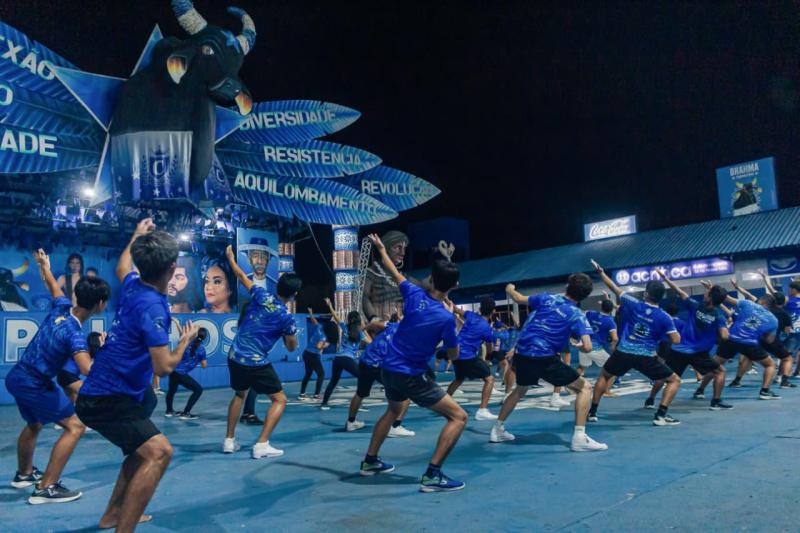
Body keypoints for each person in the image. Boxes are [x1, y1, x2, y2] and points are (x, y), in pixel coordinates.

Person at [76, 218, 200, 531]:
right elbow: (164, 367)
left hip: (107, 393)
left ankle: (113, 516)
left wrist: (137, 234)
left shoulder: (133, 285)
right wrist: (185, 342)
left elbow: (121, 265)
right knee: (160, 453)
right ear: (172, 269)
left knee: (138, 452)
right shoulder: (153, 307)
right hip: (107, 398)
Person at [359, 234, 466, 492]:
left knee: (394, 410)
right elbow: (453, 356)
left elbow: (391, 269)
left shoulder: (413, 293)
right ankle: (433, 475)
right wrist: (457, 328)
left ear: (432, 279)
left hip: (387, 368)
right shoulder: (445, 319)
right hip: (409, 374)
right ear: (455, 285)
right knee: (459, 417)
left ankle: (370, 462)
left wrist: (381, 248)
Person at [7, 249, 109, 504]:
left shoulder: (62, 306)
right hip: (34, 384)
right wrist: (106, 350)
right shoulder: (74, 334)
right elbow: (87, 369)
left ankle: (24, 474)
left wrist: (45, 266)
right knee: (75, 427)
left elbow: (52, 284)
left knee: (35, 424)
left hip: (17, 377)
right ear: (100, 305)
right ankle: (46, 486)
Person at [492, 277, 607, 451]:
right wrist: (579, 346)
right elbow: (588, 346)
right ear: (584, 296)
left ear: (567, 286)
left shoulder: (547, 298)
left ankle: (497, 430)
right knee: (585, 388)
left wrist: (509, 288)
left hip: (522, 353)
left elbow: (518, 298)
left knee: (520, 389)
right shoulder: (577, 315)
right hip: (544, 358)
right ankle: (579, 438)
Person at [223, 245, 301, 458]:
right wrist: (291, 334)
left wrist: (231, 258)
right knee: (280, 400)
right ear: (293, 295)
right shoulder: (287, 318)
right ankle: (262, 444)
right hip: (255, 362)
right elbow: (291, 347)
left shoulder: (261, 294)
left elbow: (240, 275)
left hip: (234, 355)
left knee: (240, 394)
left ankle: (229, 441)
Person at [588, 260, 682, 426]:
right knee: (674, 380)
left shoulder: (633, 303)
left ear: (646, 294)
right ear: (662, 297)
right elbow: (676, 340)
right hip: (646, 356)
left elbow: (614, 288)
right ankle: (660, 416)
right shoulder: (664, 317)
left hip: (623, 352)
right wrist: (658, 335)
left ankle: (592, 412)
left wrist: (601, 272)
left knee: (604, 375)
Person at [645, 276, 733, 410]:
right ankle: (715, 402)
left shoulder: (694, 305)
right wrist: (729, 327)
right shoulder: (718, 317)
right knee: (720, 372)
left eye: (707, 293)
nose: (704, 294)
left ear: (709, 298)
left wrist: (664, 278)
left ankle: (650, 400)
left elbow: (679, 291)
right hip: (698, 353)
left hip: (679, 350)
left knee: (665, 375)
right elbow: (725, 336)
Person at [345, 312, 416, 437]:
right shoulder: (409, 336)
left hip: (366, 360)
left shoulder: (393, 326)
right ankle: (395, 426)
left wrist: (364, 328)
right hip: (378, 364)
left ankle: (351, 422)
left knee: (360, 393)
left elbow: (375, 324)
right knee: (405, 395)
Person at [711, 291, 781, 400]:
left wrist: (712, 290)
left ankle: (700, 390)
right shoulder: (773, 320)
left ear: (762, 301)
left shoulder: (748, 304)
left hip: (731, 339)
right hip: (750, 344)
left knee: (714, 365)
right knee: (770, 365)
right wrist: (759, 333)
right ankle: (765, 391)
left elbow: (727, 298)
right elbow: (770, 340)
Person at [446, 298, 499, 420]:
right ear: (493, 311)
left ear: (480, 309)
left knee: (459, 379)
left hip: (455, 353)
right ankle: (482, 410)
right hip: (467, 357)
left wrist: (446, 298)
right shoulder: (487, 329)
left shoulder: (470, 315)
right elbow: (490, 350)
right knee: (489, 379)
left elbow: (454, 308)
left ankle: (443, 404)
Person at [320, 300, 369, 410]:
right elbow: (371, 343)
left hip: (337, 359)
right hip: (347, 359)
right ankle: (358, 404)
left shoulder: (345, 327)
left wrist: (330, 305)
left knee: (333, 381)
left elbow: (336, 316)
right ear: (359, 321)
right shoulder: (360, 334)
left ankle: (324, 403)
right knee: (363, 378)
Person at [754, 270, 797, 387]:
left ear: (793, 290)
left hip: (763, 338)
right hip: (789, 333)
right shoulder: (785, 310)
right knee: (787, 357)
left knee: (785, 356)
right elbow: (776, 296)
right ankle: (784, 379)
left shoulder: (787, 301)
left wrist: (765, 279)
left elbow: (774, 294)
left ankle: (781, 376)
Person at [362, 230, 409, 322]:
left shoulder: (403, 277)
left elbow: (429, 285)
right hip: (380, 328)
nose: (402, 253)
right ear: (386, 248)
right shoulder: (371, 273)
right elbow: (364, 297)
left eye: (404, 248)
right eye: (398, 247)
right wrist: (373, 318)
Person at [165, 327, 209, 419]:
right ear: (204, 338)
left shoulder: (186, 343)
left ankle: (169, 411)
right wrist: (199, 360)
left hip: (173, 370)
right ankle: (186, 413)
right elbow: (204, 365)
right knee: (198, 390)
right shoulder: (201, 349)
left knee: (171, 391)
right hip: (180, 373)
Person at [57, 331, 105, 404]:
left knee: (74, 407)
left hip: (65, 376)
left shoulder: (88, 351)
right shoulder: (84, 352)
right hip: (67, 376)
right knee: (91, 395)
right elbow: (89, 371)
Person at [577, 298, 618, 380]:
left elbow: (580, 312)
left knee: (582, 366)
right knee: (612, 367)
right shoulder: (610, 322)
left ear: (601, 307)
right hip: (595, 348)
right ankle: (605, 388)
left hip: (584, 345)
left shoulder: (590, 313)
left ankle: (573, 383)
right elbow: (615, 338)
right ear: (611, 309)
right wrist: (613, 346)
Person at [298, 308, 328, 400]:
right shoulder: (323, 336)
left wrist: (311, 313)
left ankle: (302, 393)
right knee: (321, 374)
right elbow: (319, 346)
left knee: (308, 373)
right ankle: (317, 395)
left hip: (306, 353)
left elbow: (313, 320)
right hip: (313, 355)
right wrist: (325, 346)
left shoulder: (319, 327)